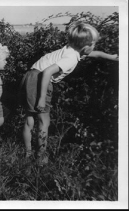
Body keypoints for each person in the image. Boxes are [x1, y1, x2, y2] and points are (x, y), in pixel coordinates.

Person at [19, 22, 119, 166]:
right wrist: (41, 98)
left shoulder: (71, 49)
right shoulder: (71, 58)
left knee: (30, 119)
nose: (94, 47)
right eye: (93, 44)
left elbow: (95, 54)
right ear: (86, 46)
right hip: (40, 80)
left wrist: (112, 57)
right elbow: (47, 72)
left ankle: (27, 154)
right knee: (43, 121)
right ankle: (40, 157)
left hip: (29, 75)